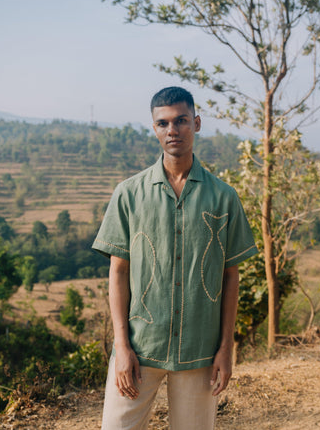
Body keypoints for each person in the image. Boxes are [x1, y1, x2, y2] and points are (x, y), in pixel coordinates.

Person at [92, 86, 258, 430]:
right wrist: (121, 347)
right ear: (154, 129)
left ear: (196, 123)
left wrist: (227, 349)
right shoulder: (129, 194)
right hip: (140, 347)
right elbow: (118, 273)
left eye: (181, 120)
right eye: (163, 123)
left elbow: (231, 277)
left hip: (200, 351)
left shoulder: (224, 197)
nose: (173, 130)